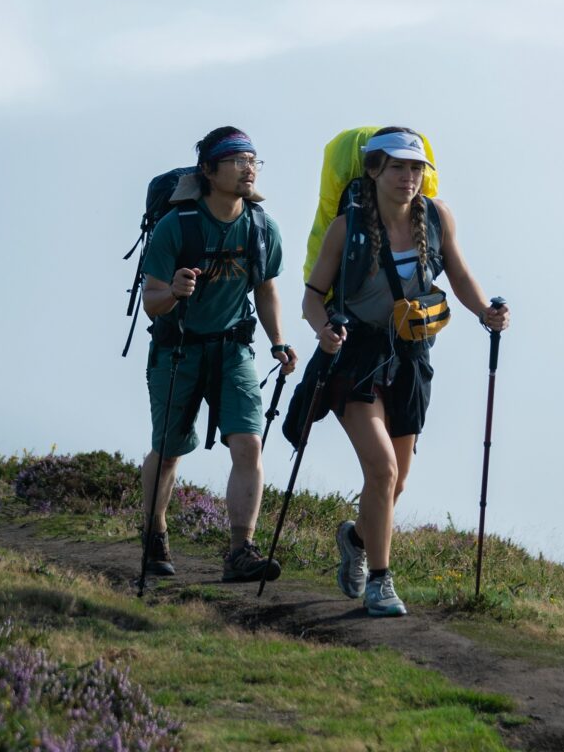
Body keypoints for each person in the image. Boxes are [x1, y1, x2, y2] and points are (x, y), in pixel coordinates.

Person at [302, 127, 509, 617]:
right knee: (383, 470)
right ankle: (380, 582)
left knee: (395, 485)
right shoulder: (346, 227)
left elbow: (458, 274)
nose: (408, 177)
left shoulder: (437, 218)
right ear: (374, 170)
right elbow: (313, 296)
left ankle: (356, 539)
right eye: (397, 167)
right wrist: (323, 330)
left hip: (412, 357)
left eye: (416, 168)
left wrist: (485, 312)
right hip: (357, 356)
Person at [140, 126, 298, 583]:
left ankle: (241, 551)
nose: (249, 169)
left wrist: (278, 342)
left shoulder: (262, 227)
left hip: (234, 350)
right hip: (178, 350)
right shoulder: (176, 226)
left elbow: (266, 289)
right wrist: (174, 291)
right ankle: (154, 530)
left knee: (249, 444)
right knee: (168, 452)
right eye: (237, 160)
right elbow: (151, 300)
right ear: (208, 171)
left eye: (253, 160)